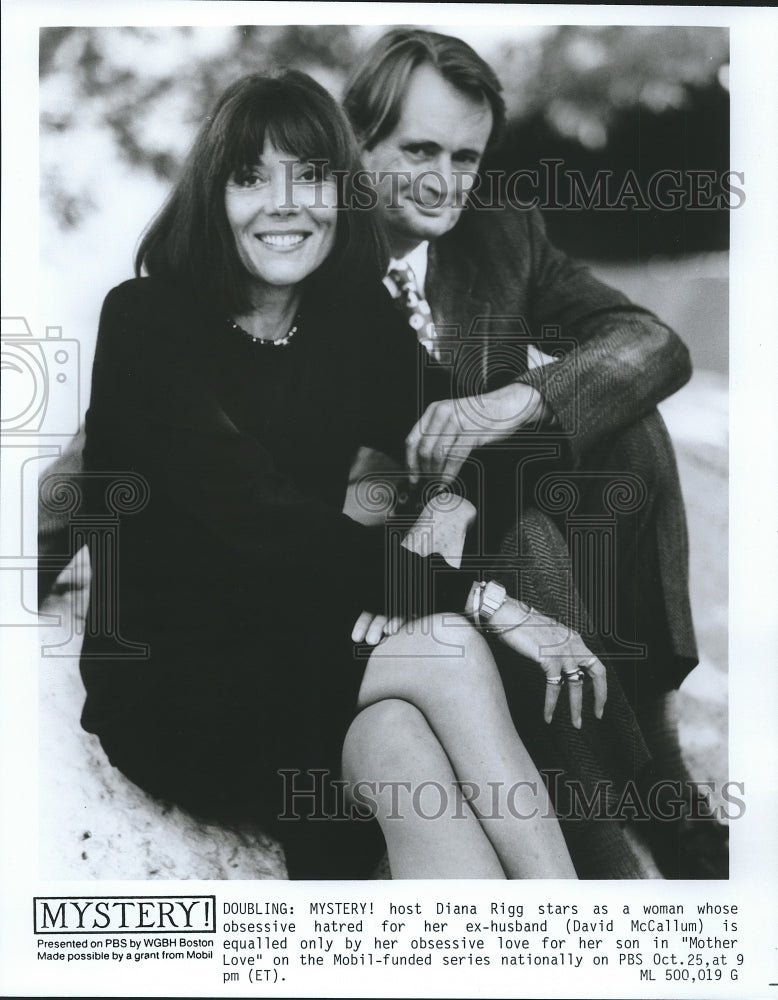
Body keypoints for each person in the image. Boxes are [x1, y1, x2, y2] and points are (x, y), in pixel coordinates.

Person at [76, 69, 613, 880]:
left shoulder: (350, 323)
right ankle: (572, 919)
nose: (284, 204)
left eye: (311, 176)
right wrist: (476, 597)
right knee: (447, 645)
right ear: (210, 199)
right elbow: (262, 516)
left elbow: (492, 440)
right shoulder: (147, 321)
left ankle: (515, 953)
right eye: (250, 178)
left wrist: (455, 505)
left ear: (341, 193)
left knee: (401, 749)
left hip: (312, 642)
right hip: (178, 680)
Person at [341, 27, 726, 878]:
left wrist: (518, 399)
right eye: (421, 150)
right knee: (524, 537)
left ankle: (654, 754)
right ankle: (605, 826)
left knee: (624, 421)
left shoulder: (498, 236)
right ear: (358, 142)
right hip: (378, 553)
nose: (449, 181)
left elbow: (652, 343)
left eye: (467, 156)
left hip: (487, 506)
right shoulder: (301, 246)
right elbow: (145, 410)